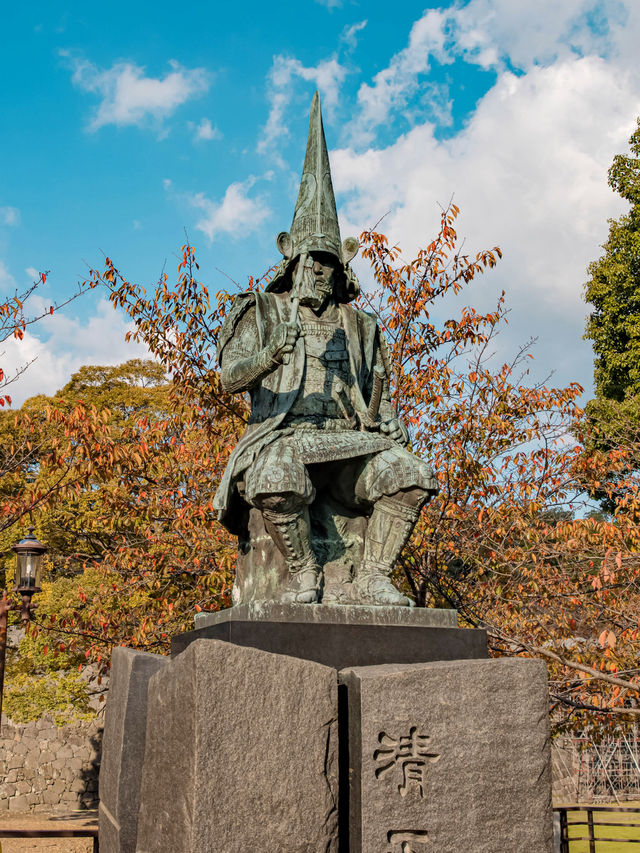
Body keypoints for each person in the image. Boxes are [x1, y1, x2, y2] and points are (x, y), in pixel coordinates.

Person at [213, 92, 437, 606]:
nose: (318, 271)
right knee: (275, 475)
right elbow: (227, 379)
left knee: (410, 473)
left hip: (348, 445)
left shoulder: (361, 325)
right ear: (292, 261)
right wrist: (271, 353)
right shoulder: (261, 311)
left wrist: (390, 417)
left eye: (327, 262)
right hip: (282, 437)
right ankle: (304, 573)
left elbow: (378, 389)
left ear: (341, 269)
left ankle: (375, 576)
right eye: (310, 260)